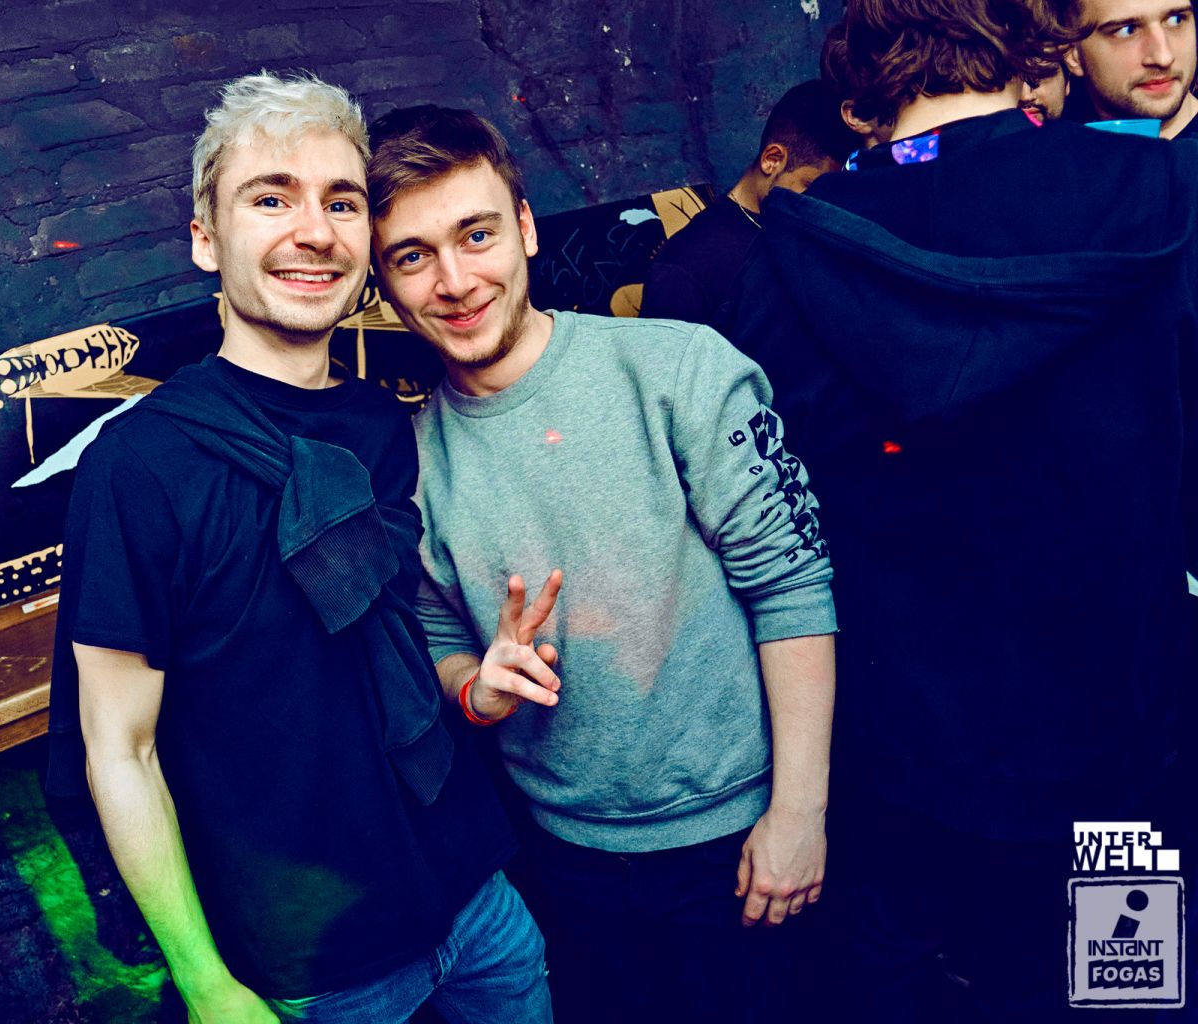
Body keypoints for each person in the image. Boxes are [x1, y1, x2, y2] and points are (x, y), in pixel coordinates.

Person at [45, 72, 551, 1024]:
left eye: (341, 202)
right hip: (318, 965)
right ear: (206, 239)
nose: (314, 231)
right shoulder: (141, 466)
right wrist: (205, 983)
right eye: (270, 198)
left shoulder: (378, 423)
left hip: (474, 898)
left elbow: (380, 653)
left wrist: (472, 687)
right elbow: (120, 749)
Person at [729, 0, 1195, 1018]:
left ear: (863, 73)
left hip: (896, 756)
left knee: (888, 986)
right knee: (1127, 990)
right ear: (1028, 44)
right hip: (1121, 740)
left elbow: (774, 528)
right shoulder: (1156, 192)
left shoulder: (786, 254)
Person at [368, 105, 838, 1023]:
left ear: (525, 226)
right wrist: (478, 689)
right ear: (384, 283)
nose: (455, 282)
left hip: (739, 843)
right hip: (557, 859)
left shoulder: (677, 370)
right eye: (414, 256)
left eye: (476, 235)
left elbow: (792, 586)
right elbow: (434, 632)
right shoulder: (409, 462)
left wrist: (799, 814)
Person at [640, 80, 857, 332]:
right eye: (809, 187)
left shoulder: (806, 233)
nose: (820, 204)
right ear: (772, 160)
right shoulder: (687, 267)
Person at [1061, 0, 1198, 136]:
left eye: (1176, 20)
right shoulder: (1061, 142)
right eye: (1127, 30)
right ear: (1072, 54)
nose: (1163, 58)